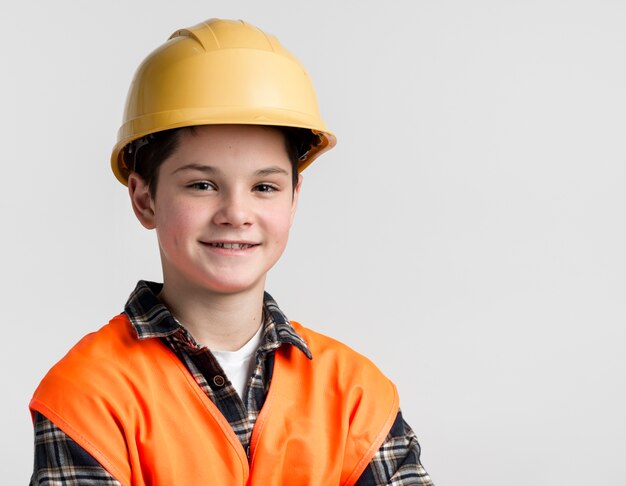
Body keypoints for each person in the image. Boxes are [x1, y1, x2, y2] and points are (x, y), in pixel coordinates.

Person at [29, 18, 433, 485]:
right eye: (202, 184)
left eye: (264, 186)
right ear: (145, 199)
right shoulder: (88, 396)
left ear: (293, 200)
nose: (236, 213)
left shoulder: (356, 395)